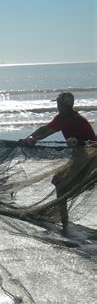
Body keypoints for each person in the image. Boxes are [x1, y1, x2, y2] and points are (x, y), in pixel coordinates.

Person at [22, 92, 96, 228]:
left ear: (65, 105)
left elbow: (46, 131)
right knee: (58, 181)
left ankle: (64, 221)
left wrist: (32, 139)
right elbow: (45, 129)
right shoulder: (65, 117)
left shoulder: (73, 119)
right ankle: (63, 218)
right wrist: (29, 138)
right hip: (81, 155)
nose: (57, 107)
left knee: (60, 183)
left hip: (89, 157)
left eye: (59, 104)